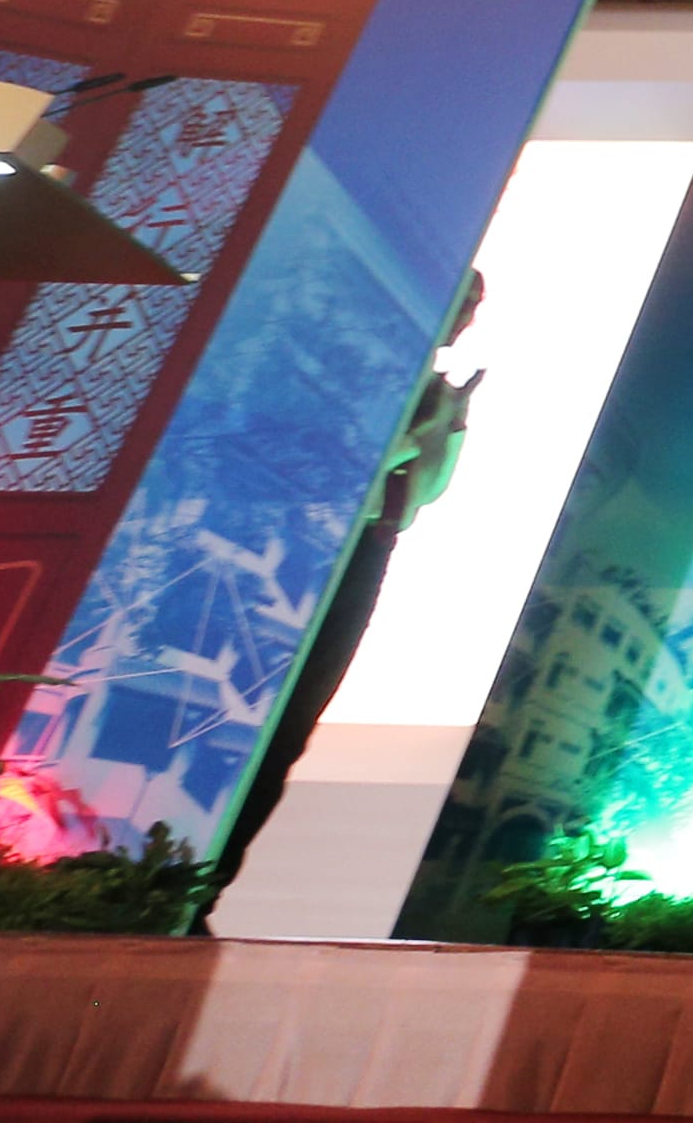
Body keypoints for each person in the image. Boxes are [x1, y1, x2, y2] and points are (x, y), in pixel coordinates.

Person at [207, 272, 486, 932]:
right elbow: (341, 465)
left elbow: (418, 497)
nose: (464, 318)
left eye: (474, 308)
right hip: (302, 541)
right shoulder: (355, 370)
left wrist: (448, 425)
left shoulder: (439, 389)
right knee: (241, 708)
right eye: (459, 299)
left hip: (369, 548)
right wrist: (416, 432)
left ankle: (207, 888)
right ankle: (156, 874)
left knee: (295, 724)